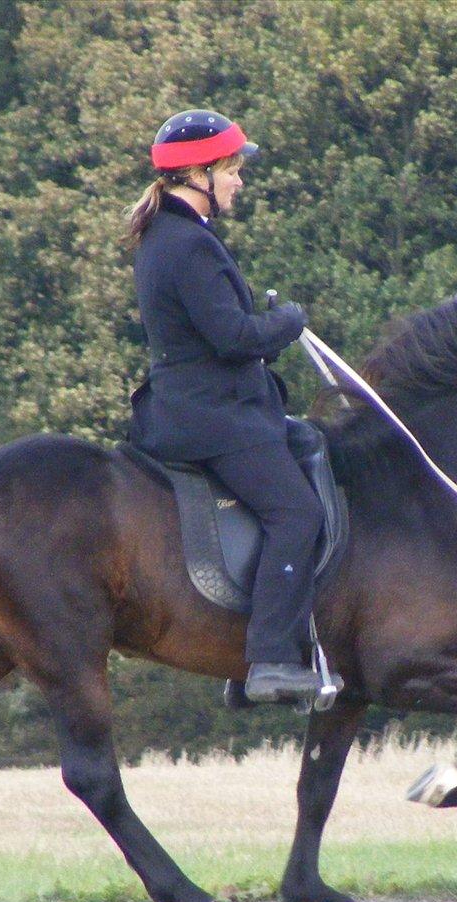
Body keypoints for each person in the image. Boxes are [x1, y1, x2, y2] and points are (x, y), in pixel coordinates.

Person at [126, 109, 327, 704]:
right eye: (233, 170)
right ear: (198, 174)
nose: (239, 181)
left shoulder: (174, 236)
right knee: (296, 515)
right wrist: (287, 322)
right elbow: (234, 339)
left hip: (203, 407)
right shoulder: (187, 246)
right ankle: (266, 663)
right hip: (213, 416)